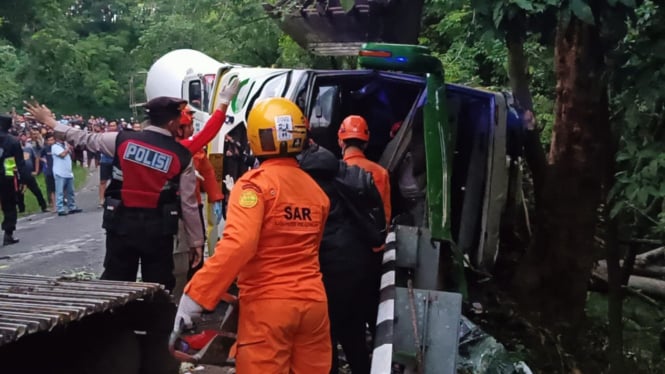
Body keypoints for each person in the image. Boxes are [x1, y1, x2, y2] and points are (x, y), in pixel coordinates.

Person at [174, 98, 332, 373]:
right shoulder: (315, 190)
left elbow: (239, 245)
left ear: (256, 138)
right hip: (314, 306)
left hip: (268, 308)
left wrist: (196, 297)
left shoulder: (254, 186)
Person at [24, 96, 206, 292]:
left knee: (116, 281)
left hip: (121, 224)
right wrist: (197, 241)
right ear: (172, 122)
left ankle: (114, 320)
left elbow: (81, 137)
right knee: (159, 283)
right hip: (158, 229)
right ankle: (156, 320)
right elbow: (189, 204)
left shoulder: (121, 140)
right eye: (179, 119)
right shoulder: (182, 156)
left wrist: (50, 122)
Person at [298, 141, 385, 374]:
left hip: (327, 270)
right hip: (357, 263)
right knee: (353, 333)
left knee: (325, 338)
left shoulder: (301, 180)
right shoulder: (338, 170)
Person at [337, 115, 392, 337]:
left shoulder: (336, 172)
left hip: (344, 254)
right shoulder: (380, 173)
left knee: (349, 318)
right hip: (372, 252)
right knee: (372, 306)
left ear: (341, 141)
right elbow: (385, 215)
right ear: (366, 143)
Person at [0, 114, 25, 245]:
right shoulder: (13, 141)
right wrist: (23, 180)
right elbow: (20, 163)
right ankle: (8, 233)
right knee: (9, 205)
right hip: (7, 176)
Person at [51, 133, 82, 216]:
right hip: (59, 172)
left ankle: (72, 206)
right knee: (60, 191)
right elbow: (62, 155)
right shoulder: (55, 147)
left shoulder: (65, 145)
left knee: (70, 191)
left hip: (68, 172)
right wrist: (68, 149)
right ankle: (60, 208)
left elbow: (71, 156)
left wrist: (70, 148)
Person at [98, 120, 118, 207]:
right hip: (105, 161)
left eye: (113, 126)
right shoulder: (104, 136)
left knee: (116, 181)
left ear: (116, 126)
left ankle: (115, 199)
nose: (112, 127)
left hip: (116, 161)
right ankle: (101, 200)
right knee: (103, 181)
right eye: (110, 126)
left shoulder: (119, 135)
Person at [40, 133, 56, 210]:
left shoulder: (57, 147)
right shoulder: (45, 149)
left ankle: (62, 202)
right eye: (49, 140)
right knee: (51, 189)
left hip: (58, 170)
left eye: (52, 140)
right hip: (49, 171)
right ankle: (53, 205)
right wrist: (44, 160)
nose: (50, 142)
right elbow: (38, 157)